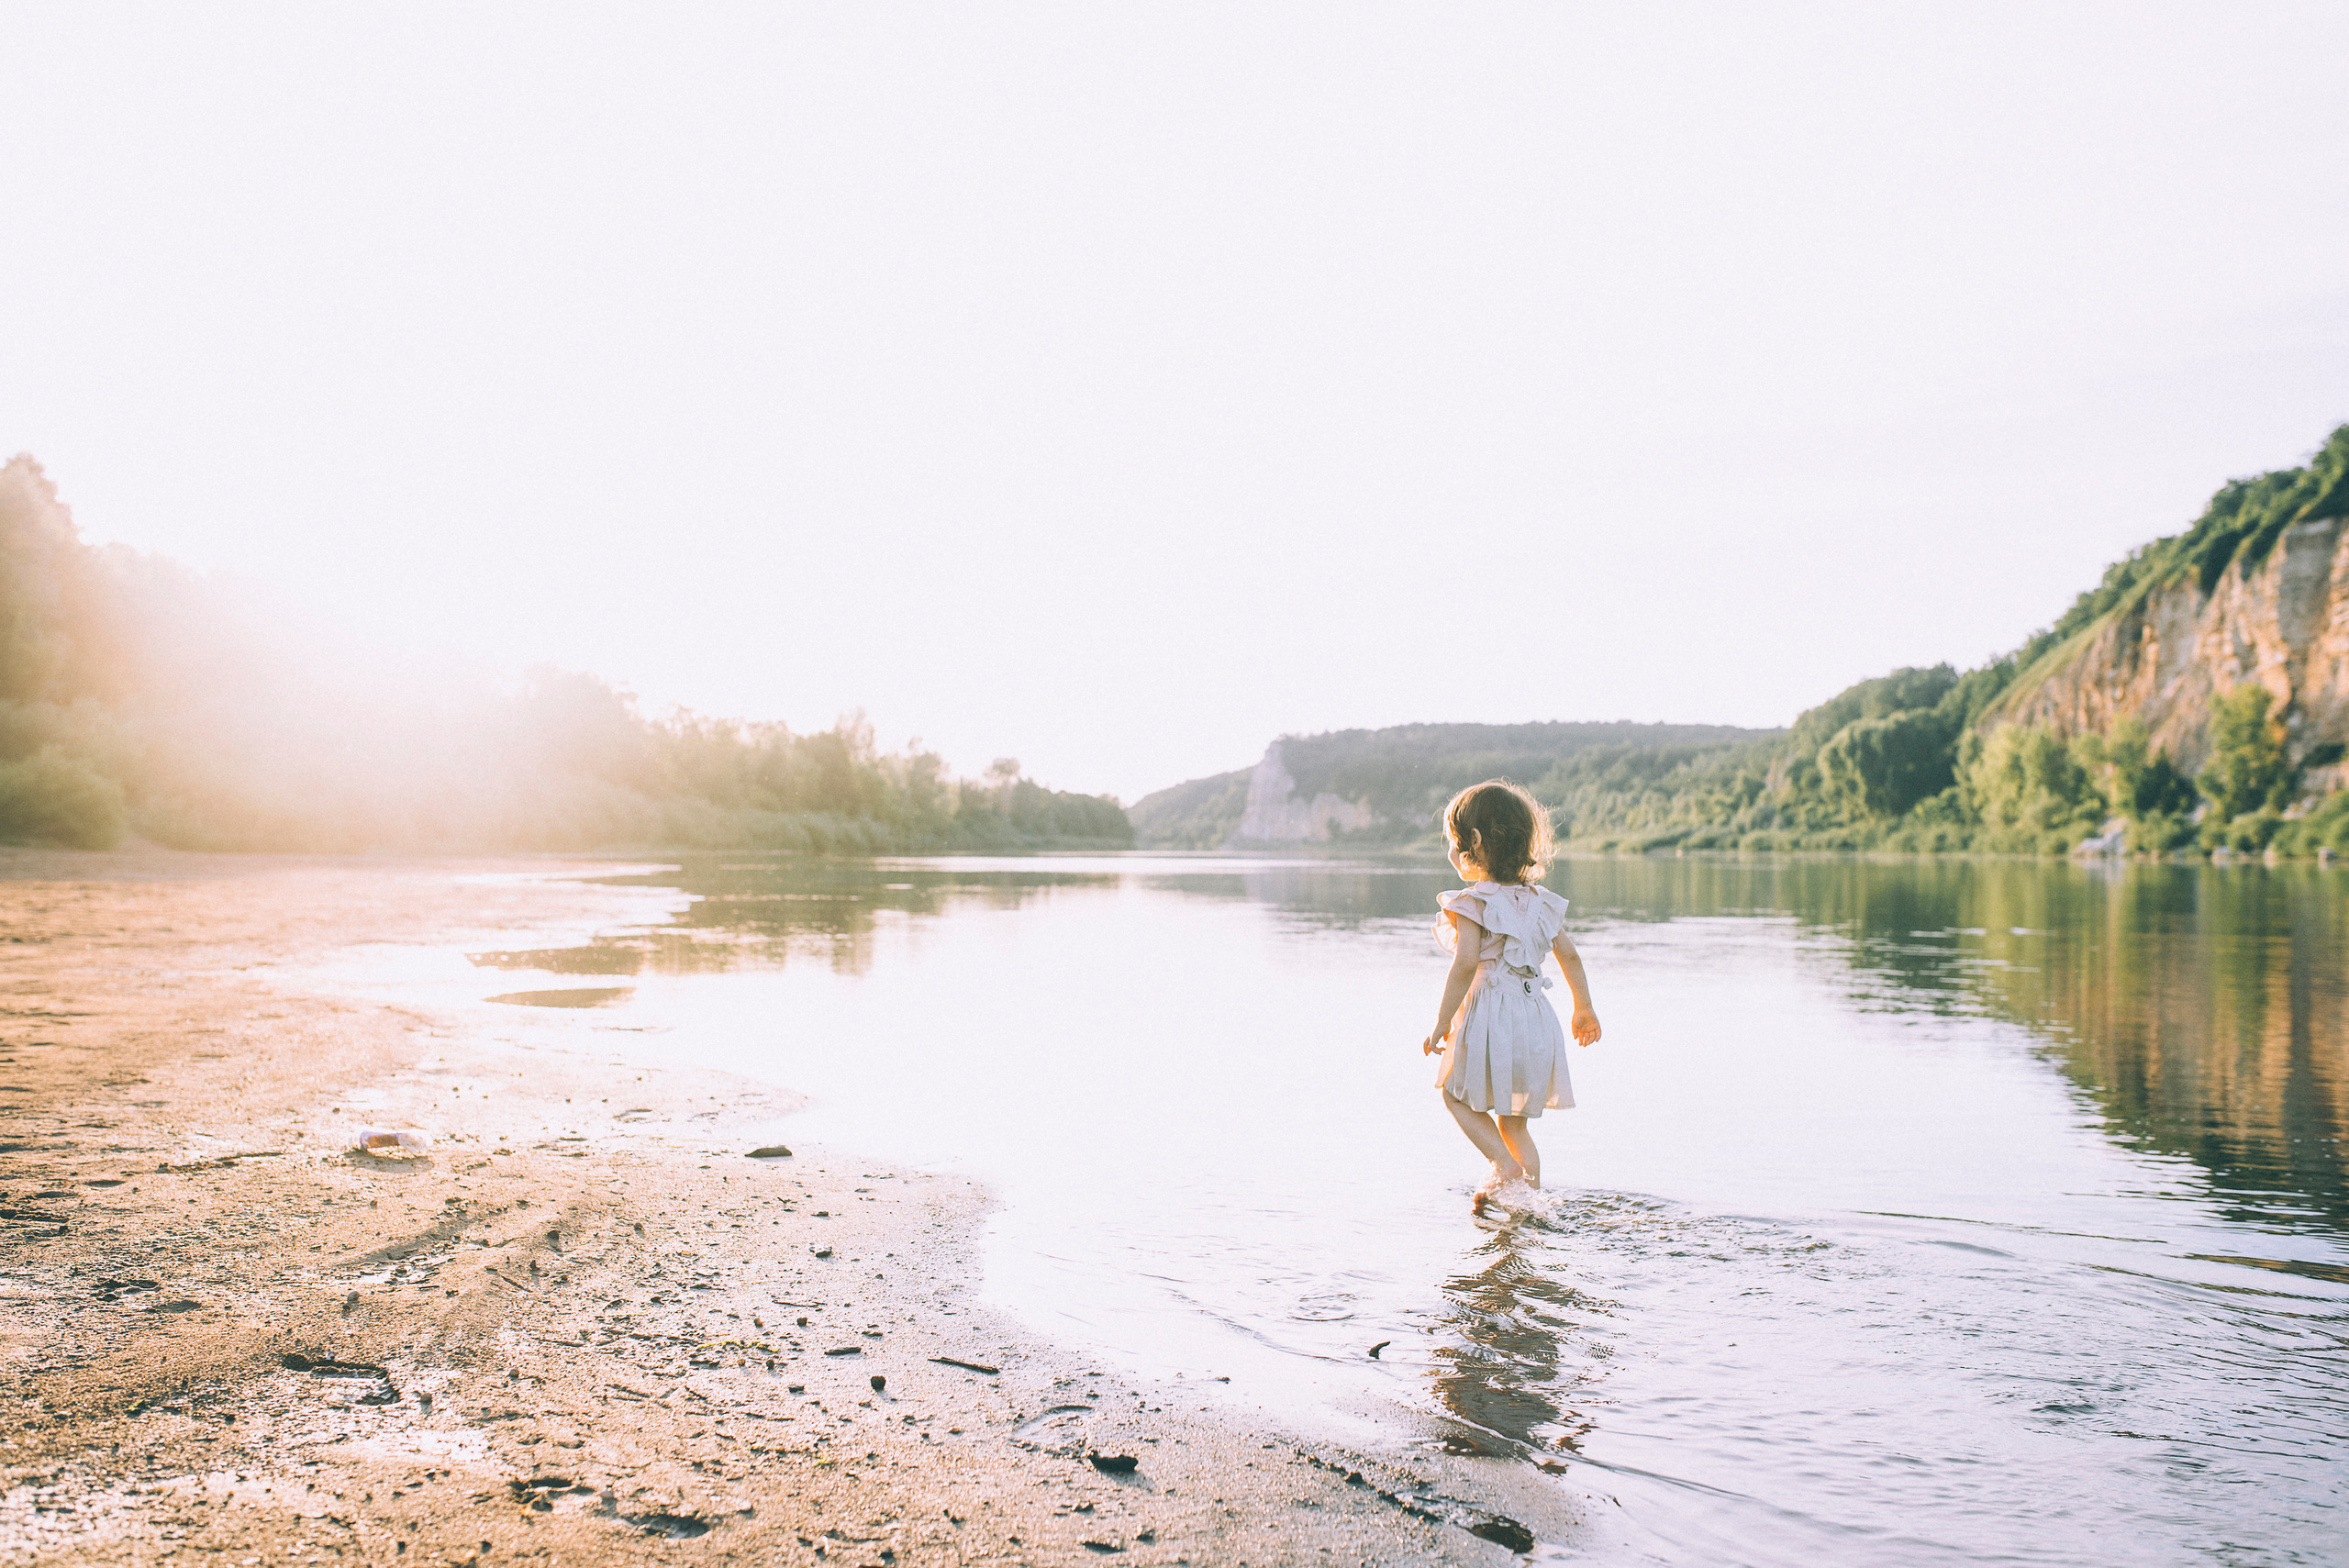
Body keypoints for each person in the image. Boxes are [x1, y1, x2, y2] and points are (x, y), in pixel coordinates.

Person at [1420, 779, 1602, 1201]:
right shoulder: (1542, 902)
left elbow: (1465, 963)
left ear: (1475, 842)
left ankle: (1502, 1166)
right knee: (1515, 1122)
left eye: (1454, 841)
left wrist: (1441, 1022)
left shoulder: (1472, 902)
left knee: (1454, 1096)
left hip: (1491, 1014)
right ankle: (1527, 1205)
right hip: (1535, 1018)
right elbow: (1570, 957)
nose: (1451, 850)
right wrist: (1584, 1009)